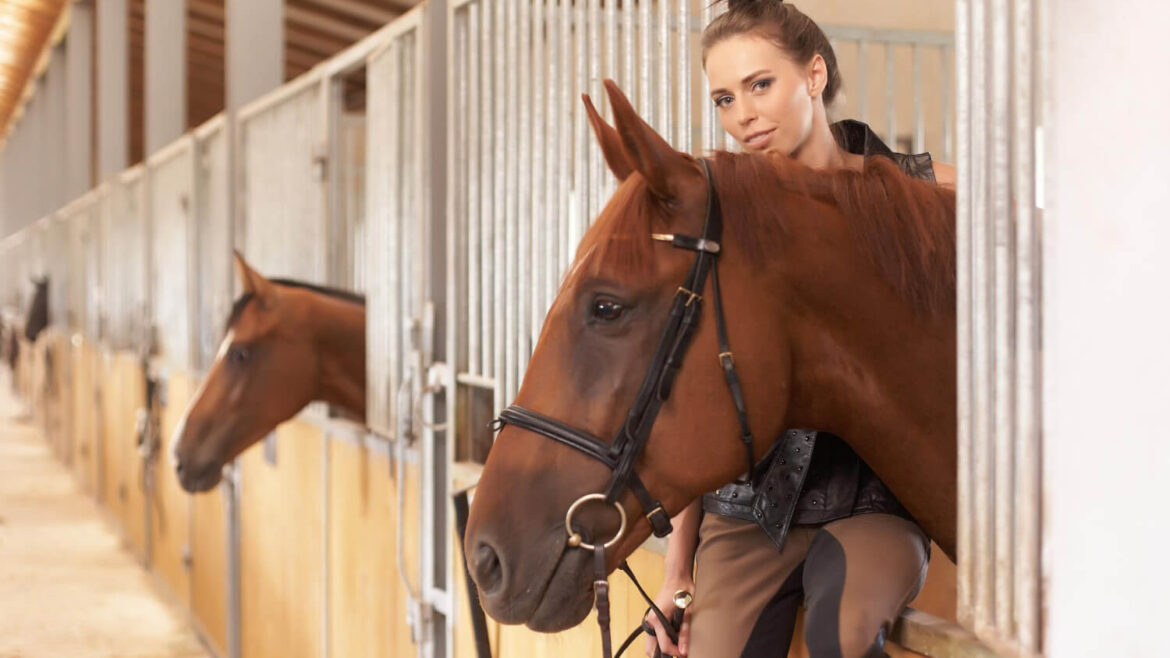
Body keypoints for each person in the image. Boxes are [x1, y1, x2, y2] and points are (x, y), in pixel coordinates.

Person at [643, 2, 955, 657]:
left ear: (814, 75)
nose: (743, 115)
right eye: (725, 98)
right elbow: (696, 393)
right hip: (745, 513)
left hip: (873, 503)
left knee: (838, 633)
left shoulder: (920, 192)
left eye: (761, 85)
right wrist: (675, 572)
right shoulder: (722, 221)